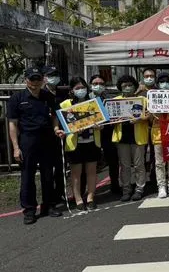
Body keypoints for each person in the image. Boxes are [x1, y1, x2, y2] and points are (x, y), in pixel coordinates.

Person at [8, 67, 64, 224]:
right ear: (26, 80)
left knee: (47, 175)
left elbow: (54, 116)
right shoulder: (17, 98)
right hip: (27, 141)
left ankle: (49, 205)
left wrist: (56, 129)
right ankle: (29, 210)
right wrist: (16, 147)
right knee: (27, 177)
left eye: (38, 79)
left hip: (47, 140)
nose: (35, 82)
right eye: (32, 79)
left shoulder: (47, 96)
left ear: (42, 80)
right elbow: (13, 124)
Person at [60, 77, 101, 210]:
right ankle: (78, 199)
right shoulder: (65, 104)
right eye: (77, 88)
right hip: (75, 143)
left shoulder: (94, 102)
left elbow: (103, 123)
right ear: (72, 90)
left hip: (92, 141)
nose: (81, 90)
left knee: (91, 171)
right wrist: (72, 129)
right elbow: (63, 125)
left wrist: (98, 126)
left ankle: (90, 197)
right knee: (75, 173)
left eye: (82, 87)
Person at [112, 75, 149, 201]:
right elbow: (109, 120)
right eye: (124, 86)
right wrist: (115, 120)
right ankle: (126, 189)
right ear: (120, 88)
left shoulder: (142, 100)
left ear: (134, 86)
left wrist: (140, 119)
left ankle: (139, 188)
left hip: (138, 136)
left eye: (130, 85)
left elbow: (149, 116)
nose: (127, 88)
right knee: (124, 165)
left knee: (139, 165)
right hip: (122, 138)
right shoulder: (115, 100)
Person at [150, 72, 169, 199]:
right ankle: (161, 186)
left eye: (167, 82)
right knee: (159, 163)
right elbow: (150, 119)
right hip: (158, 133)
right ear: (158, 84)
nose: (165, 84)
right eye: (162, 82)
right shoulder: (152, 97)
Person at [89, 74, 120, 194]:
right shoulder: (86, 99)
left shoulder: (109, 98)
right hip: (90, 135)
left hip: (107, 133)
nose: (98, 86)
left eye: (101, 84)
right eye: (95, 84)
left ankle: (115, 185)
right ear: (90, 85)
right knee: (91, 163)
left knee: (112, 160)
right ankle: (88, 190)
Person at [43, 65, 68, 204]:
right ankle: (49, 196)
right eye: (50, 75)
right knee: (47, 168)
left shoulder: (63, 93)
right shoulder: (41, 94)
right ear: (45, 78)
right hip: (46, 134)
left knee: (61, 165)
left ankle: (60, 193)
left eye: (55, 75)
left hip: (63, 133)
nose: (54, 78)